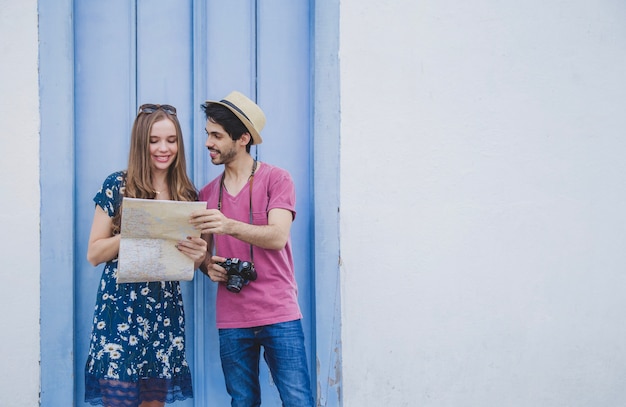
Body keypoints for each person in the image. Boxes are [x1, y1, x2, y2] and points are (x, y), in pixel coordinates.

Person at [190, 91, 314, 407]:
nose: (208, 143)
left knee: (297, 400)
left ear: (243, 138)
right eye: (208, 134)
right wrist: (206, 266)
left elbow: (276, 237)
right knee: (242, 402)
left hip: (279, 312)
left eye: (216, 136)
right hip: (232, 317)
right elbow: (198, 251)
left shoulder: (277, 179)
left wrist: (228, 225)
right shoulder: (206, 194)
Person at [84, 103, 207, 407]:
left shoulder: (187, 195)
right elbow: (94, 253)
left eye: (171, 140)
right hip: (121, 310)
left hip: (163, 313)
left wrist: (199, 253)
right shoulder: (118, 185)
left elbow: (189, 259)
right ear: (141, 143)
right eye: (154, 140)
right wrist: (132, 231)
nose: (164, 148)